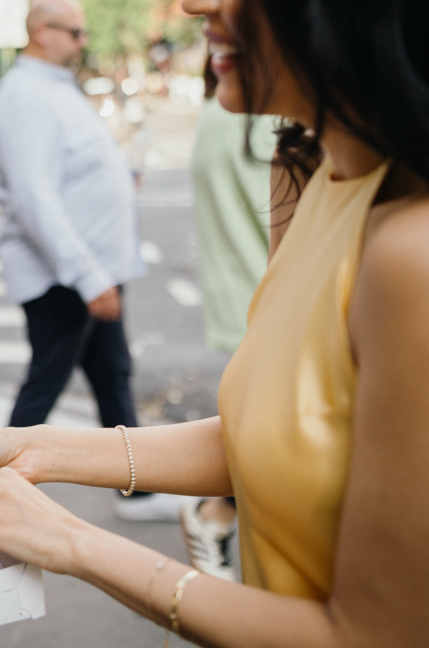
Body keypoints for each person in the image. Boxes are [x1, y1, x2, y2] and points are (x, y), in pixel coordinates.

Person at [0, 0, 429, 644]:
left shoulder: (409, 254)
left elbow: (370, 635)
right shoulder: (305, 167)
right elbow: (267, 436)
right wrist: (41, 449)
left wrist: (73, 541)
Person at [0, 0, 162, 519]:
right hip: (64, 275)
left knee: (112, 373)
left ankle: (139, 492)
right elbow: (34, 198)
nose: (84, 41)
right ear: (42, 31)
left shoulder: (53, 87)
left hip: (90, 268)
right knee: (45, 387)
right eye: (75, 32)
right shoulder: (25, 95)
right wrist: (88, 278)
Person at [182, 60, 279, 579]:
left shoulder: (217, 111)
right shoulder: (271, 120)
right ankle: (215, 513)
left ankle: (215, 515)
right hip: (278, 300)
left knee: (265, 433)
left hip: (241, 296)